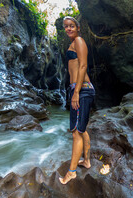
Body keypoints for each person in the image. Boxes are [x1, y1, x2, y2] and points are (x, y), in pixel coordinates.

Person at [59, 16, 95, 184]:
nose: (69, 29)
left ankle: (71, 172)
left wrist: (76, 93)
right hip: (79, 89)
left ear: (78, 27)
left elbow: (82, 66)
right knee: (82, 129)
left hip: (82, 90)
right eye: (66, 27)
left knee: (76, 133)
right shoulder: (71, 44)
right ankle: (86, 161)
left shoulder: (79, 41)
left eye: (71, 26)